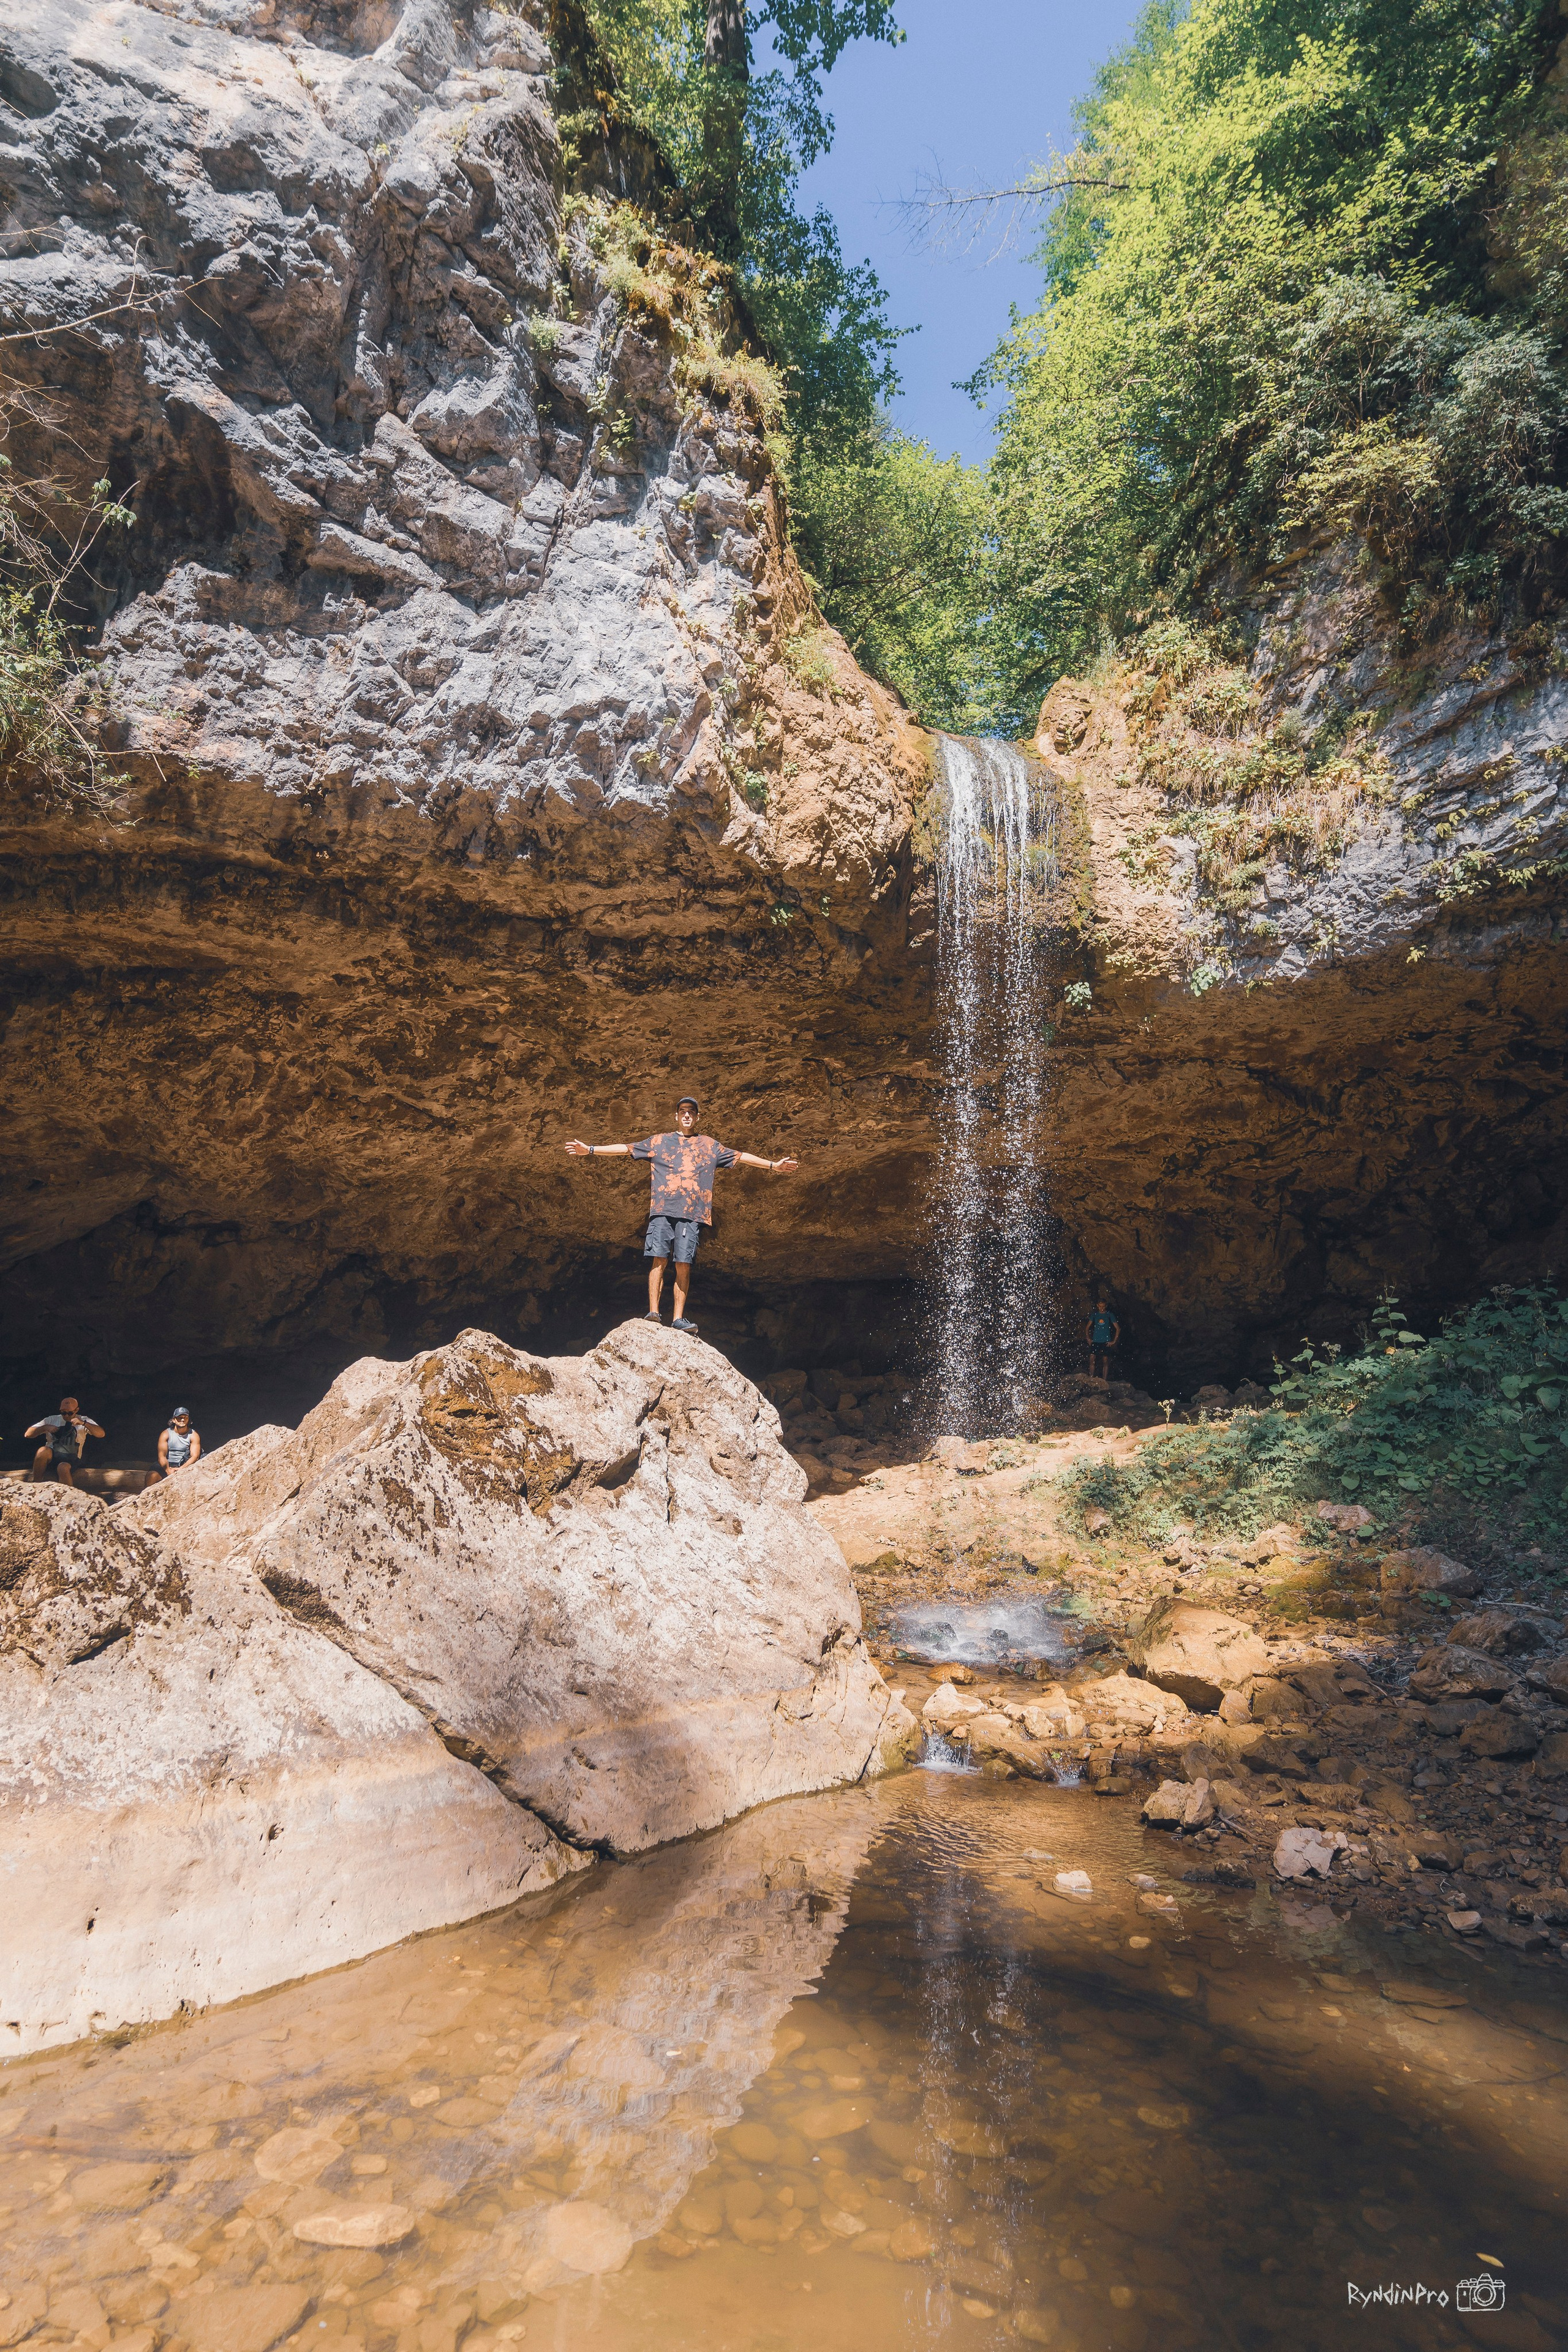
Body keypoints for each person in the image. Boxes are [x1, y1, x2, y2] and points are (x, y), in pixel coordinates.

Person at [565, 1095, 798, 1333]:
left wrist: (774, 1166)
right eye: (683, 1111)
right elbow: (626, 1149)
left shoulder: (709, 1146)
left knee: (683, 1264)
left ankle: (678, 1319)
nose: (687, 1115)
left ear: (697, 1118)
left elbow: (742, 1156)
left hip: (692, 1215)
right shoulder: (659, 1142)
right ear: (676, 1116)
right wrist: (590, 1150)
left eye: (691, 1112)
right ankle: (653, 1313)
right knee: (659, 1259)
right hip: (663, 1210)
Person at [25, 1396, 104, 1486]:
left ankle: (68, 1492)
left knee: (62, 1468)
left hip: (71, 1458)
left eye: (70, 1413)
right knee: (42, 1451)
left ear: (76, 1410)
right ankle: (36, 1484)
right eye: (63, 1413)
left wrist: (84, 1423)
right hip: (52, 1455)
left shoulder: (83, 1419)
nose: (66, 1416)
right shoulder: (52, 1420)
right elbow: (28, 1434)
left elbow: (101, 1434)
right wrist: (45, 1427)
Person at [146, 1405, 202, 1483]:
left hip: (184, 1464)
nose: (183, 1420)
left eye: (185, 1417)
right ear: (174, 1420)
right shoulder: (166, 1434)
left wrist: (182, 1469)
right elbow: (162, 1456)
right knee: (152, 1476)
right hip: (167, 1464)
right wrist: (168, 1470)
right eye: (180, 1418)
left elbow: (195, 1456)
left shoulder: (194, 1435)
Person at [1085, 1297, 1120, 1382]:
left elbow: (1118, 1328)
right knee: (1092, 1359)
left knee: (1105, 1361)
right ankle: (1091, 1378)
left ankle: (1105, 1380)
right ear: (1097, 1306)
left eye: (1103, 1306)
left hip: (1106, 1341)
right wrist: (1088, 1338)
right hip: (1096, 1340)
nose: (1102, 1308)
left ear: (1106, 1306)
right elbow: (1087, 1328)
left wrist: (1114, 1341)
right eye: (1100, 1306)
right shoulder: (1095, 1315)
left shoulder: (1109, 1315)